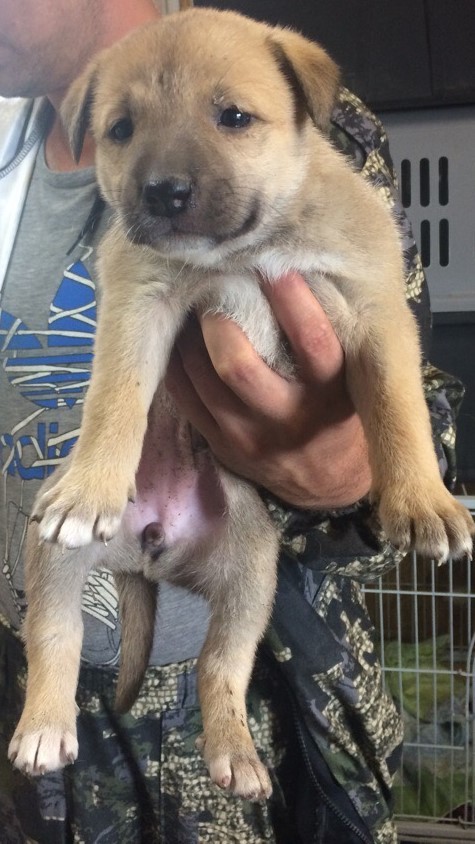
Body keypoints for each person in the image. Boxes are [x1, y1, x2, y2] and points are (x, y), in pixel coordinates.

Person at [0, 1, 464, 842]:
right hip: (45, 721)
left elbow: (387, 340)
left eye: (233, 119)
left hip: (270, 719)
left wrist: (368, 474)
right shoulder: (23, 138)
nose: (163, 174)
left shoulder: (310, 117)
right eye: (123, 132)